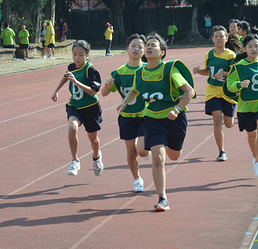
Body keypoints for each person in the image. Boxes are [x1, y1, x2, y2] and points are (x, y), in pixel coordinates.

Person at [117, 34, 196, 212]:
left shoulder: (170, 70)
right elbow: (135, 91)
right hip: (152, 118)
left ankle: (170, 143)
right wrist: (124, 102)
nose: (149, 48)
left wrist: (177, 109)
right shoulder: (140, 72)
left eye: (154, 45)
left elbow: (189, 92)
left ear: (162, 52)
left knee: (174, 155)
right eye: (148, 46)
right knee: (158, 157)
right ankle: (162, 198)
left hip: (174, 118)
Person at [101, 34, 149, 192]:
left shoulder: (148, 70)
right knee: (131, 150)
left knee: (141, 150)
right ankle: (137, 179)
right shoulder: (119, 73)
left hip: (145, 115)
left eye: (140, 47)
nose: (136, 49)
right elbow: (104, 94)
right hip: (126, 116)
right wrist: (107, 86)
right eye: (133, 46)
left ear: (144, 51)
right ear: (127, 48)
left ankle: (146, 150)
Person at [51, 40, 104, 177]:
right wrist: (56, 91)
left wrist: (76, 82)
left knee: (93, 139)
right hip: (75, 106)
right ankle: (75, 160)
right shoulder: (71, 67)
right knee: (72, 127)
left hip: (91, 108)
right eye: (74, 54)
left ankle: (96, 157)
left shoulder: (90, 70)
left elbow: (93, 92)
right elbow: (66, 76)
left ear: (87, 55)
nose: (77, 58)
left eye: (80, 55)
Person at [226, 34, 258, 178]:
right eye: (250, 46)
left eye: (256, 46)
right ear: (244, 48)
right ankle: (255, 157)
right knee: (251, 135)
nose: (254, 49)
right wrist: (239, 85)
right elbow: (229, 86)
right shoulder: (238, 67)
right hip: (246, 106)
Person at [193, 25, 237, 161]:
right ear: (212, 39)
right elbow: (208, 71)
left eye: (221, 36)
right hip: (212, 91)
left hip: (228, 92)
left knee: (229, 124)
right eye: (216, 36)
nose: (218, 39)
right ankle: (221, 151)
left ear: (226, 38)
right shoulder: (209, 54)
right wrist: (198, 71)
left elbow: (236, 74)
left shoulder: (230, 55)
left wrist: (224, 73)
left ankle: (229, 117)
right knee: (217, 120)